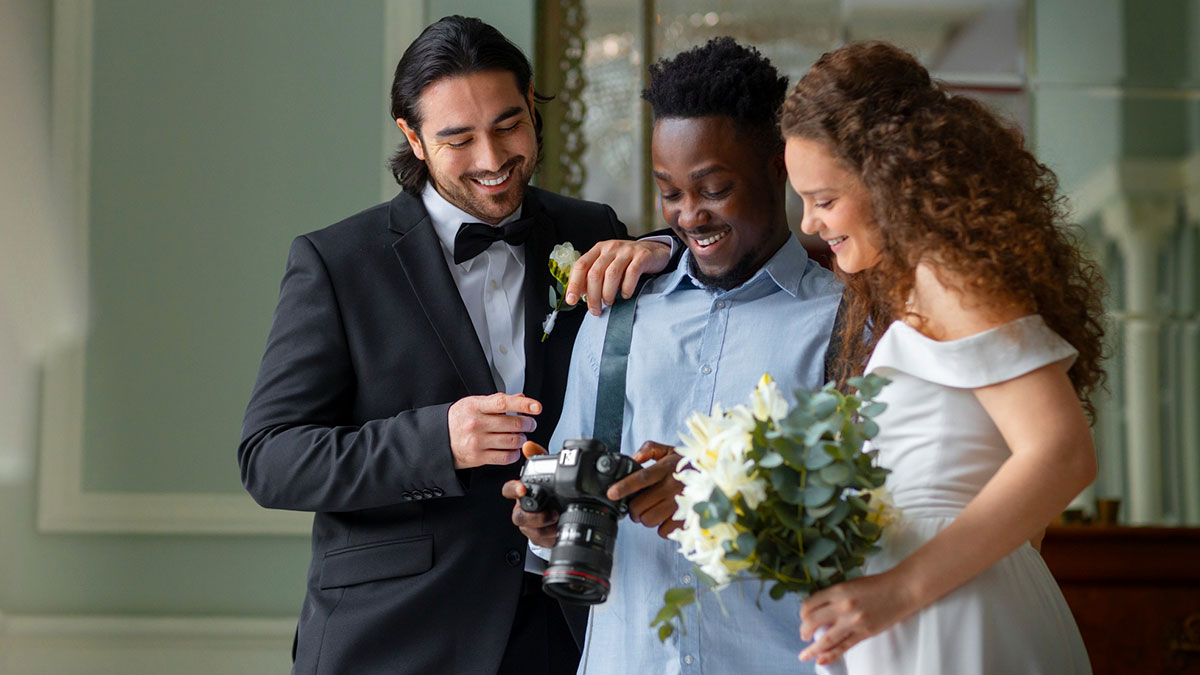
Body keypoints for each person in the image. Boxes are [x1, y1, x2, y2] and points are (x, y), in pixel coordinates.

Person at [238, 15, 671, 675]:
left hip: (566, 630)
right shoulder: (336, 262)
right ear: (412, 138)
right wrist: (437, 441)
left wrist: (659, 250)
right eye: (459, 138)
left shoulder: (592, 230)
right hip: (394, 639)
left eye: (507, 125)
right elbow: (270, 458)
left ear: (532, 101)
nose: (494, 160)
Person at [503, 38, 841, 674]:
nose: (690, 215)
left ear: (779, 170)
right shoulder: (615, 315)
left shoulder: (843, 323)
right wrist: (545, 522)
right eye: (669, 192)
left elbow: (871, 526)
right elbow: (571, 516)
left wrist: (719, 505)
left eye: (713, 188)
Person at [780, 41, 1102, 674]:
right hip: (942, 614)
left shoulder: (949, 276)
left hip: (948, 619)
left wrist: (901, 590)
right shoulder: (917, 288)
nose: (810, 224)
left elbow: (1062, 453)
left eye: (823, 199)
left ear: (889, 178)